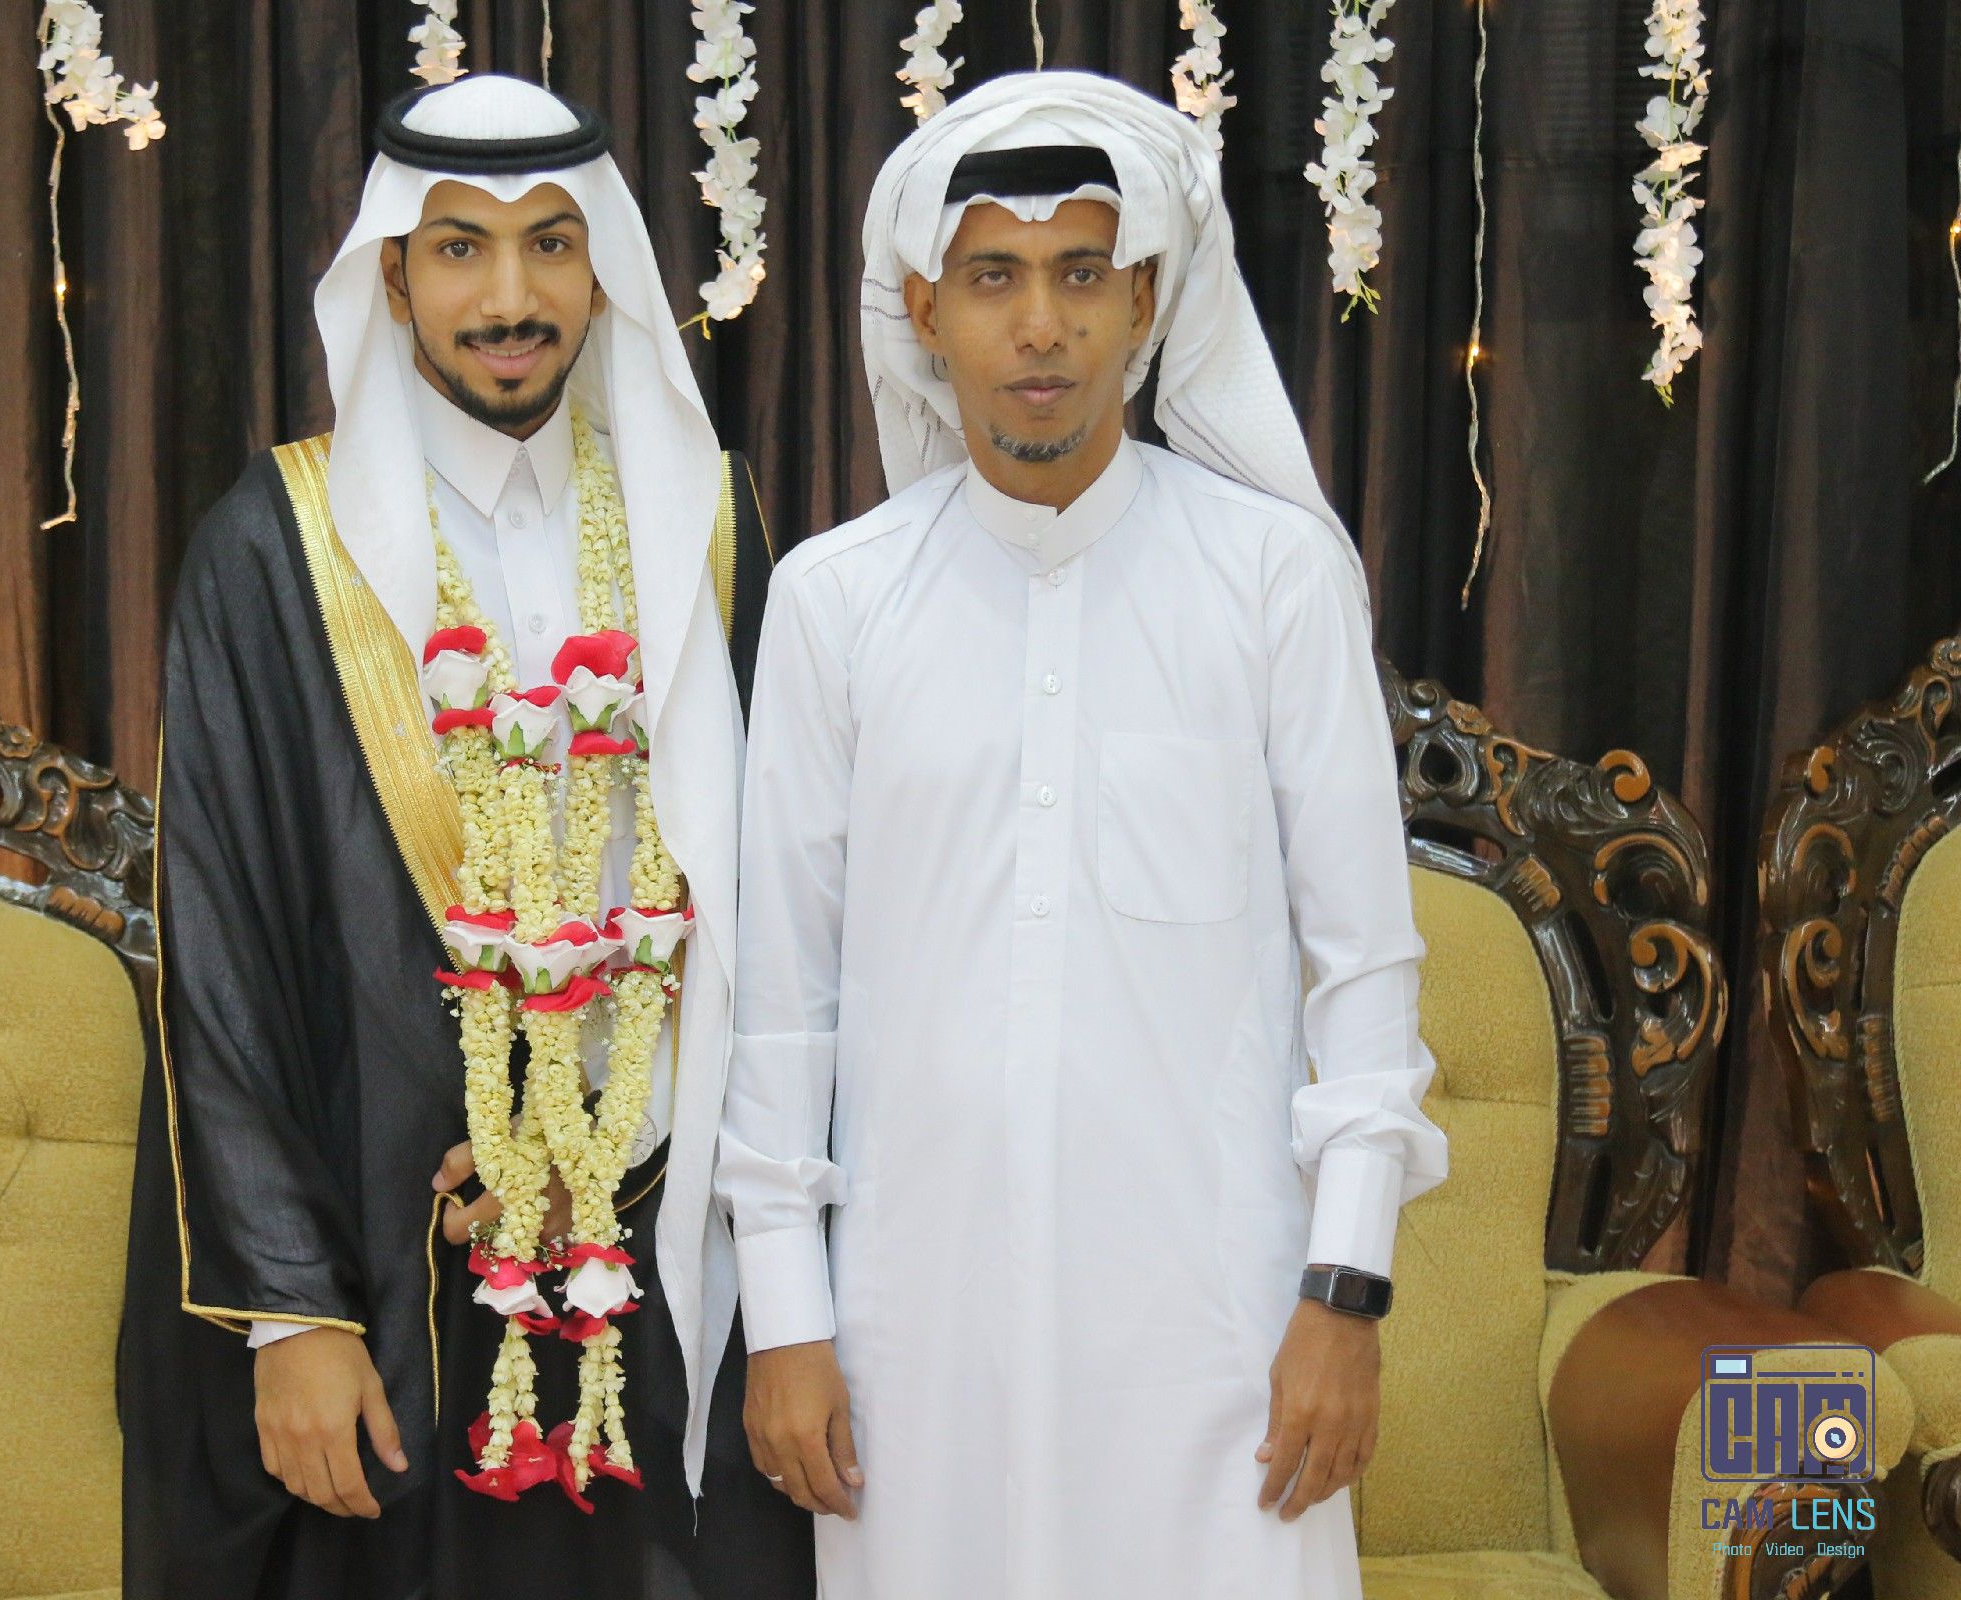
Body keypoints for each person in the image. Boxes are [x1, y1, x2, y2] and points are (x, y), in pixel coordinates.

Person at [716, 71, 1452, 1598]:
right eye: (994, 277)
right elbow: (783, 1000)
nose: (1039, 326)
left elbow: (1365, 973)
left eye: (1079, 275)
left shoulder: (1275, 580)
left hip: (1219, 1338)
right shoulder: (837, 603)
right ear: (927, 310)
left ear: (1145, 303)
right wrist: (785, 1316)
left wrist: (1346, 1294)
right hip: (915, 1347)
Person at [120, 73, 811, 1600]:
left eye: (551, 244)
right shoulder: (275, 544)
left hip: (665, 1226)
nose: (510, 298)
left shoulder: (711, 527)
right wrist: (290, 1313)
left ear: (600, 270)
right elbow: (219, 945)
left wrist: (621, 1135)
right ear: (392, 276)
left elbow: (780, 897)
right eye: (459, 249)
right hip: (378, 1253)